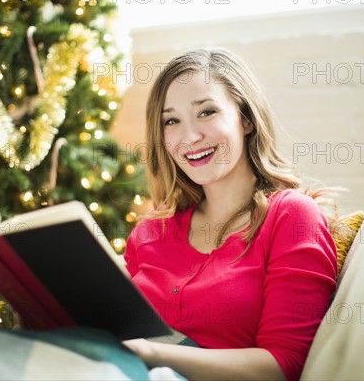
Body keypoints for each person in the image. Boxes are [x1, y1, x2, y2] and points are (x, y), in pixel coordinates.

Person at [123, 48, 338, 381]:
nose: (190, 136)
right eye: (171, 121)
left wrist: (149, 353)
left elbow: (284, 364)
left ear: (246, 118)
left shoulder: (292, 217)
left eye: (207, 112)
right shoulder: (153, 229)